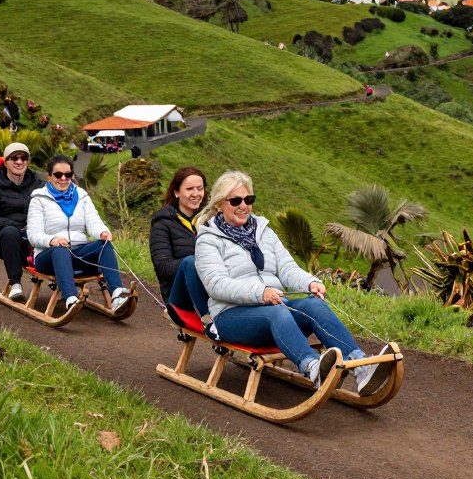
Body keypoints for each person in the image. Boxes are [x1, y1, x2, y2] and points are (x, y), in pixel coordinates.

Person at [195, 170, 392, 393]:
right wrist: (261, 292)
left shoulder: (263, 231)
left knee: (312, 303)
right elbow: (216, 285)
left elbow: (287, 268)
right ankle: (313, 368)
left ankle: (360, 366)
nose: (244, 206)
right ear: (220, 204)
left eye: (249, 199)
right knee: (277, 312)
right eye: (236, 200)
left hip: (273, 307)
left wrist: (310, 283)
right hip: (232, 317)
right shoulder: (208, 240)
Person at [27, 155, 131, 314]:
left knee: (104, 245)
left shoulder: (81, 195)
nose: (63, 179)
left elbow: (93, 221)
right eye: (58, 175)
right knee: (61, 249)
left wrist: (102, 232)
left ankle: (117, 295)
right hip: (49, 256)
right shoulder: (39, 199)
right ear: (49, 177)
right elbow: (33, 234)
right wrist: (52, 240)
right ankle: (70, 298)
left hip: (77, 253)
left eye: (68, 175)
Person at [150, 166, 213, 328]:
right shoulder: (163, 222)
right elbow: (162, 268)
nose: (196, 194)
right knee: (190, 262)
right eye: (189, 189)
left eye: (200, 189)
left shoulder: (208, 222)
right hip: (179, 295)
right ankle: (209, 320)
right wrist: (199, 261)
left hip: (210, 287)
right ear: (176, 192)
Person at [0, 142, 43, 300]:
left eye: (23, 158)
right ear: (6, 162)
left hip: (34, 239)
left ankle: (66, 286)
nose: (19, 162)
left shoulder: (39, 184)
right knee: (10, 232)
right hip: (3, 239)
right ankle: (15, 284)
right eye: (14, 158)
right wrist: (17, 227)